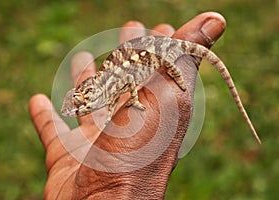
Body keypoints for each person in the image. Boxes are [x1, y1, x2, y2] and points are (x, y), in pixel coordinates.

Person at [29, 12, 226, 199]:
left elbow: (130, 79)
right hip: (135, 60)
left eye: (80, 104)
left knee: (161, 65)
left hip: (152, 54)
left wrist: (134, 99)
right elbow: (115, 93)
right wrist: (109, 116)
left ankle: (173, 70)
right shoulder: (104, 90)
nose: (77, 109)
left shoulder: (105, 87)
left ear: (90, 97)